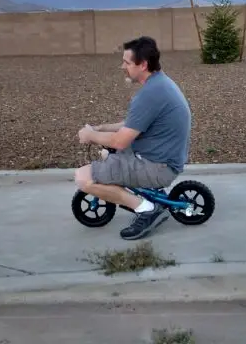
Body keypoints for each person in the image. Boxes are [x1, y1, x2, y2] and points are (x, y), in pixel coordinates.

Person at [75, 36, 192, 240]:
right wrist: (100, 128)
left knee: (83, 177)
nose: (122, 66)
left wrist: (90, 136)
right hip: (161, 158)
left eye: (127, 62)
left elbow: (120, 141)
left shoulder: (150, 95)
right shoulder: (160, 84)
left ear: (143, 64)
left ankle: (147, 209)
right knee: (106, 152)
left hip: (157, 167)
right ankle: (145, 195)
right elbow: (130, 126)